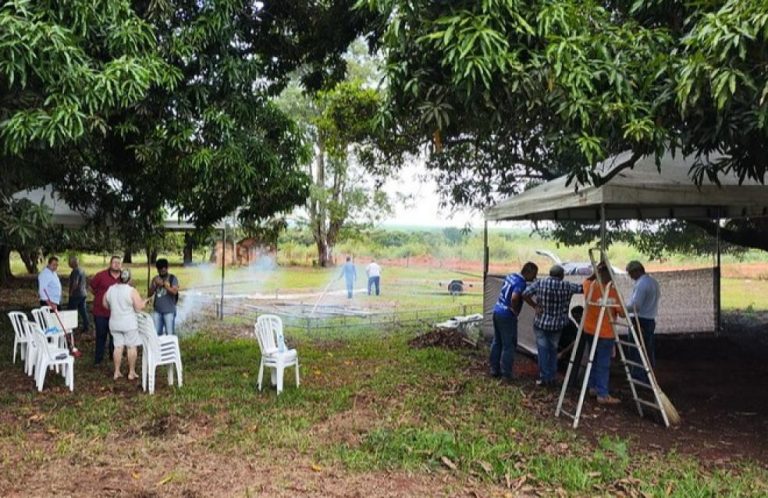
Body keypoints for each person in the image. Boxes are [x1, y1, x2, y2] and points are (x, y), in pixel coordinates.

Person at [523, 265, 583, 387]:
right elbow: (582, 289)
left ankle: (544, 377)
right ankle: (551, 377)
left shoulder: (540, 283)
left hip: (541, 323)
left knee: (543, 351)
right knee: (553, 350)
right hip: (557, 326)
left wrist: (535, 306)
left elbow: (525, 294)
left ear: (550, 274)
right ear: (561, 276)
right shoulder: (567, 286)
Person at [489, 262, 539, 382]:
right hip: (507, 315)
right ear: (529, 272)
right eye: (534, 274)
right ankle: (506, 374)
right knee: (509, 345)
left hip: (497, 310)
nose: (534, 278)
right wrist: (514, 309)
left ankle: (494, 369)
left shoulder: (511, 276)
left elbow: (515, 293)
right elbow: (515, 297)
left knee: (497, 342)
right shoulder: (520, 283)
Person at [582, 264, 623, 405]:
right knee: (603, 363)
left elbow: (587, 280)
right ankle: (602, 393)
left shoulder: (589, 285)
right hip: (605, 332)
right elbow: (623, 313)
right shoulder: (612, 292)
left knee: (593, 359)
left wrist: (596, 272)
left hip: (589, 329)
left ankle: (592, 387)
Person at [103, 269, 145, 380]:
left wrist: (114, 308)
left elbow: (105, 304)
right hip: (129, 324)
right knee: (131, 347)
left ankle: (117, 372)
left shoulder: (111, 289)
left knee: (118, 347)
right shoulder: (131, 291)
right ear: (129, 279)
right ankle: (131, 372)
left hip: (114, 322)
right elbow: (138, 308)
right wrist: (143, 303)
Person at [625, 260, 660, 379]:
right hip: (650, 318)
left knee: (637, 349)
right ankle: (649, 374)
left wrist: (621, 308)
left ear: (636, 271)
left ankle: (638, 375)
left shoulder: (641, 284)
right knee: (648, 348)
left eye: (630, 273)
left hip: (639, 320)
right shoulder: (653, 282)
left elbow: (635, 306)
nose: (630, 276)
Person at [90, 256, 122, 365]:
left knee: (115, 336)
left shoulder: (123, 277)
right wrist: (99, 296)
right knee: (101, 335)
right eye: (114, 262)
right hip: (100, 312)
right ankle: (98, 359)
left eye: (119, 263)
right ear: (110, 263)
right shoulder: (101, 275)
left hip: (116, 313)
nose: (117, 264)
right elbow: (92, 287)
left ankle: (113, 357)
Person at [148, 258, 180, 335]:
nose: (162, 270)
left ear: (167, 268)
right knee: (156, 333)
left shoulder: (172, 278)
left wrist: (164, 285)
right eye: (160, 268)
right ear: (157, 269)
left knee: (169, 333)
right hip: (157, 311)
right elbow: (149, 294)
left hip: (169, 311)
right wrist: (154, 285)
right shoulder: (155, 279)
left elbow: (174, 292)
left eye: (164, 268)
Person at [67, 256, 90, 334]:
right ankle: (86, 325)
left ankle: (70, 327)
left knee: (70, 311)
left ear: (73, 263)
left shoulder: (75, 271)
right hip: (83, 293)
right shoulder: (82, 270)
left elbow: (75, 283)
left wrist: (71, 292)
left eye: (69, 262)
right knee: (83, 310)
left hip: (76, 294)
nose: (68, 264)